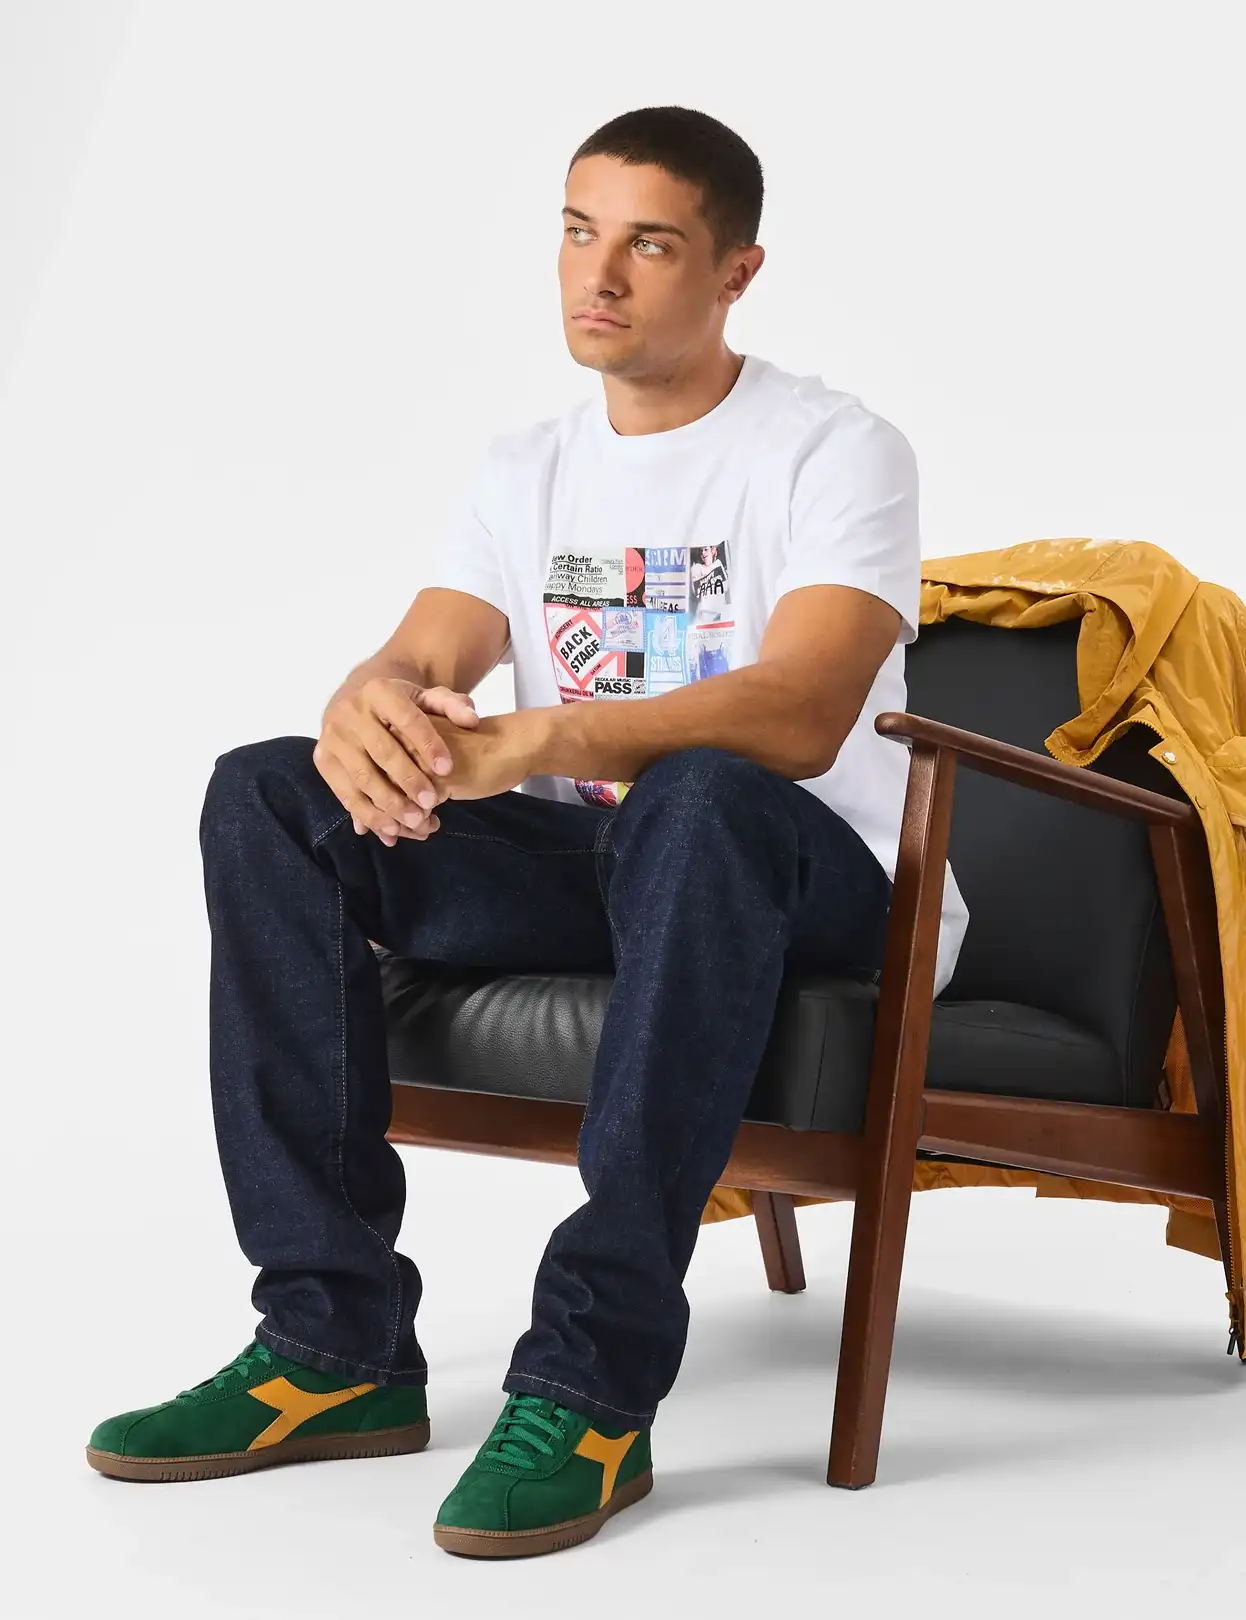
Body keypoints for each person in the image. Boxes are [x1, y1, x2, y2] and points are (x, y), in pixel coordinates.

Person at [85, 104, 969, 1558]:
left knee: (699, 792)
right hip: (611, 877)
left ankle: (590, 1386)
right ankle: (329, 1346)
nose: (597, 276)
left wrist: (545, 738)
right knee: (271, 793)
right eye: (576, 231)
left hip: (819, 883)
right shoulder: (526, 468)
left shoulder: (834, 448)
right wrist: (368, 712)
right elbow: (419, 653)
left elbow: (804, 713)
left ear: (736, 272)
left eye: (649, 244)